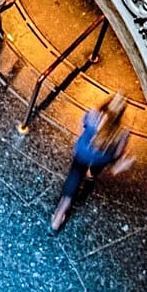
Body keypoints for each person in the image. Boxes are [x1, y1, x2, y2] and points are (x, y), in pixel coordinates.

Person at [50, 93, 133, 232]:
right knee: (94, 170)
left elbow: (81, 128)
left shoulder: (93, 115)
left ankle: (59, 215)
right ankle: (90, 178)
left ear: (107, 103)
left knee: (74, 176)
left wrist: (82, 143)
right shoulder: (121, 133)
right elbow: (117, 154)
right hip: (101, 159)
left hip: (83, 152)